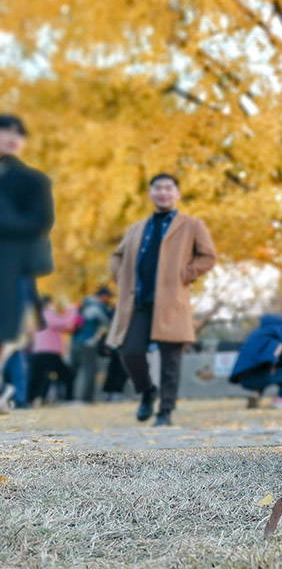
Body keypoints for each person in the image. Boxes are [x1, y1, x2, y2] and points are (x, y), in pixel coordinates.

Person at [106, 173, 216, 426]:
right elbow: (117, 255)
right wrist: (121, 278)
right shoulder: (137, 228)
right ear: (151, 193)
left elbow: (207, 256)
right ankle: (147, 393)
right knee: (129, 351)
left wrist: (184, 275)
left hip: (171, 301)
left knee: (171, 360)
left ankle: (165, 411)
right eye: (158, 188)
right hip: (139, 301)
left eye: (169, 188)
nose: (163, 192)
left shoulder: (191, 225)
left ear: (177, 194)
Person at [0, 114, 54, 411]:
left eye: (18, 133)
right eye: (5, 130)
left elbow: (41, 221)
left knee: (8, 331)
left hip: (13, 266)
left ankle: (9, 391)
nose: (12, 137)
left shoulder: (33, 180)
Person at [229, 315, 282, 408]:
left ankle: (256, 394)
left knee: (272, 364)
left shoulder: (264, 331)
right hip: (259, 376)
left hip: (243, 379)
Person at [27, 296, 77, 404]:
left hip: (40, 351)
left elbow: (67, 327)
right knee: (67, 375)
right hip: (49, 352)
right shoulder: (46, 313)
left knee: (40, 377)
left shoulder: (37, 316)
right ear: (48, 304)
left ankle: (33, 399)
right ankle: (69, 399)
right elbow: (64, 322)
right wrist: (73, 309)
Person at [69, 286, 114, 403]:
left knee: (77, 369)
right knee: (89, 370)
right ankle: (85, 398)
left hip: (75, 341)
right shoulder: (97, 306)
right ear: (103, 296)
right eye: (108, 297)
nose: (108, 300)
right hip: (89, 342)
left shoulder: (83, 304)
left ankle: (73, 396)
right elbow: (107, 322)